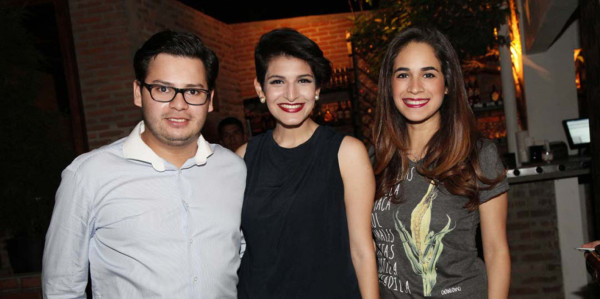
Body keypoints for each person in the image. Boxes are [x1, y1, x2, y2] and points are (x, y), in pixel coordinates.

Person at [42, 30, 246, 298]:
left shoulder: (234, 169)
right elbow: (61, 288)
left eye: (193, 91)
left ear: (209, 100)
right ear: (138, 92)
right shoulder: (89, 175)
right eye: (163, 89)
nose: (178, 104)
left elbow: (241, 254)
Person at [235, 28, 379, 299]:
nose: (291, 94)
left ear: (317, 89)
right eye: (277, 81)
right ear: (260, 88)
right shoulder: (243, 157)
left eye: (303, 80)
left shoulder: (347, 153)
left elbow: (362, 249)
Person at [371, 26, 510, 298]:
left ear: (446, 84)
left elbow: (496, 250)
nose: (414, 87)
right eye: (403, 75)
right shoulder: (373, 161)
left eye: (428, 74)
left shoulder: (478, 154)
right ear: (389, 85)